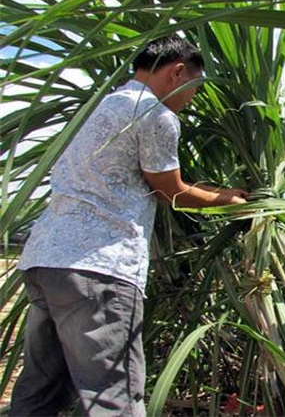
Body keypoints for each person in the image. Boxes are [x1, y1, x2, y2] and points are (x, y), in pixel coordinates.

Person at [11, 35, 248, 417]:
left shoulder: (105, 106)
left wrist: (218, 191)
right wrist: (229, 202)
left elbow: (151, 181)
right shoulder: (154, 114)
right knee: (113, 398)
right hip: (99, 270)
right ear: (177, 73)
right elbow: (172, 192)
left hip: (45, 261)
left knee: (40, 391)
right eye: (195, 88)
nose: (191, 99)